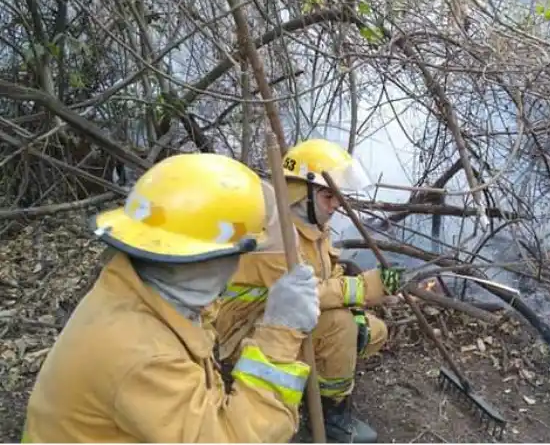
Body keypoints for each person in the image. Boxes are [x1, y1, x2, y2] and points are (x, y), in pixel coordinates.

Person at [22, 153, 320, 443]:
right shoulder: (144, 354)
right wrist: (280, 334)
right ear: (212, 259)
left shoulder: (134, 287)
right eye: (239, 253)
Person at [214, 139, 404, 443]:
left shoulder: (311, 226)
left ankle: (310, 378)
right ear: (301, 194)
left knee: (371, 331)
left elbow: (329, 273)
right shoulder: (276, 237)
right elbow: (304, 293)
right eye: (328, 196)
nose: (336, 204)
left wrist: (357, 304)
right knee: (340, 326)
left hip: (285, 321)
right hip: (249, 332)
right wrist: (366, 287)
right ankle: (332, 415)